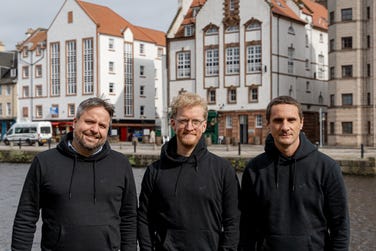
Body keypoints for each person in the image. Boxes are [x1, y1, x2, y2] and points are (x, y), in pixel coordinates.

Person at [12, 97, 137, 251]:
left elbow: (129, 218)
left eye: (102, 126)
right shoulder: (44, 162)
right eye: (90, 122)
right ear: (75, 122)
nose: (95, 129)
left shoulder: (121, 164)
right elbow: (26, 216)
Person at [238, 96, 350, 251]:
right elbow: (247, 226)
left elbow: (340, 225)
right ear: (268, 124)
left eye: (291, 120)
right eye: (278, 120)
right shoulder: (254, 169)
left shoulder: (327, 168)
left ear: (301, 123)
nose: (285, 127)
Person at [137, 92, 240, 250]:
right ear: (173, 123)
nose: (189, 127)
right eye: (183, 121)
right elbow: (144, 220)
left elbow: (233, 223)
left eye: (195, 121)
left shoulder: (223, 171)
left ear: (204, 126)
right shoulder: (155, 171)